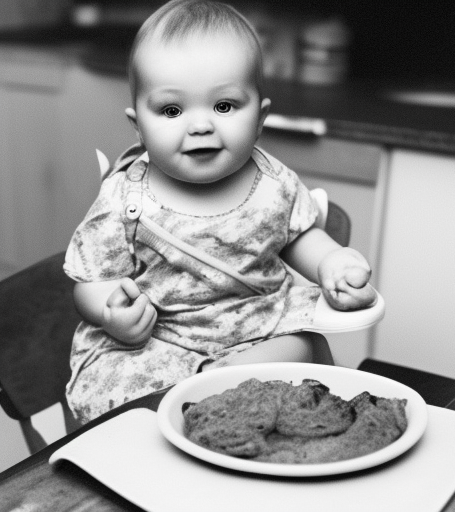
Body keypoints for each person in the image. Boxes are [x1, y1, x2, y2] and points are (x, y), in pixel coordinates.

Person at [64, 0, 377, 424]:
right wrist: (110, 311)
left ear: (260, 117)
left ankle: (228, 396)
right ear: (137, 124)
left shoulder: (273, 184)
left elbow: (300, 237)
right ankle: (195, 417)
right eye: (172, 110)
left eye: (224, 106)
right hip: (161, 342)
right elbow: (92, 281)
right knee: (127, 400)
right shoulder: (122, 200)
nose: (200, 125)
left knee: (307, 350)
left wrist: (332, 264)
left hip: (257, 329)